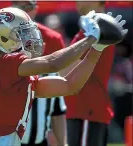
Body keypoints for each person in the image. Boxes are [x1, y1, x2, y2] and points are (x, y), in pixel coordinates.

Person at [0, 1, 68, 146]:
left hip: (39, 135)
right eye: (17, 5)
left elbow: (61, 96)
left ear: (35, 9)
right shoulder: (1, 41)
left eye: (27, 6)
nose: (21, 10)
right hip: (7, 137)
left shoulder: (52, 38)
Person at [59, 2, 121, 146]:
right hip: (88, 109)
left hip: (85, 110)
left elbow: (65, 72)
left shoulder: (94, 29)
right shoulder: (95, 27)